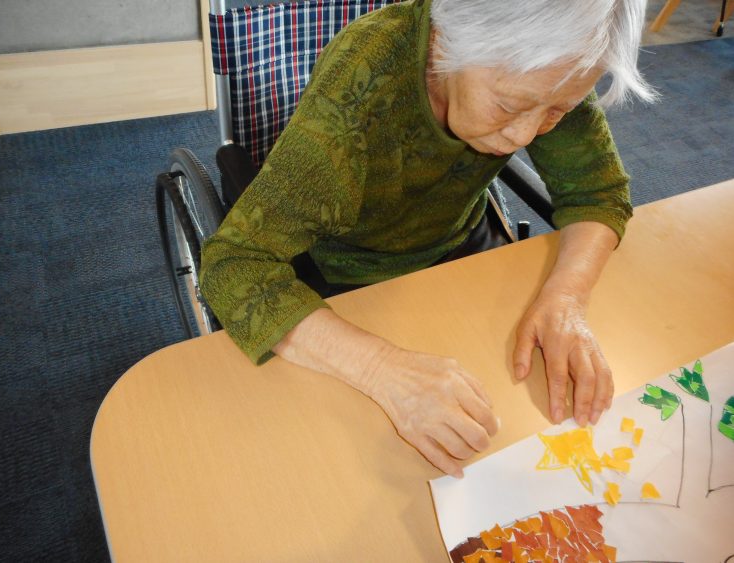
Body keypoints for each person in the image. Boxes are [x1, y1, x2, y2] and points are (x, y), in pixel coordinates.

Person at [200, 0, 656, 478]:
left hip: (461, 244)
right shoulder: (361, 86)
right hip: (348, 272)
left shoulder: (548, 68)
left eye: (557, 111)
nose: (526, 134)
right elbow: (234, 263)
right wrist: (379, 368)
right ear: (446, 44)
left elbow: (599, 192)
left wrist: (567, 298)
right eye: (508, 106)